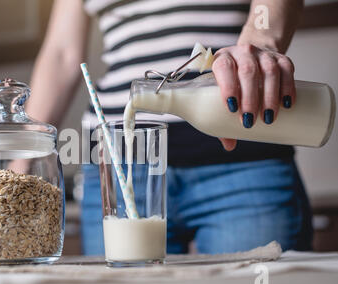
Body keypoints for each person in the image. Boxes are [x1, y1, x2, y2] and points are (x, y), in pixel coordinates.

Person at [26, 0, 312, 254]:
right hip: (118, 160)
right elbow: (61, 54)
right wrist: (20, 161)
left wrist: (260, 43)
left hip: (241, 148)